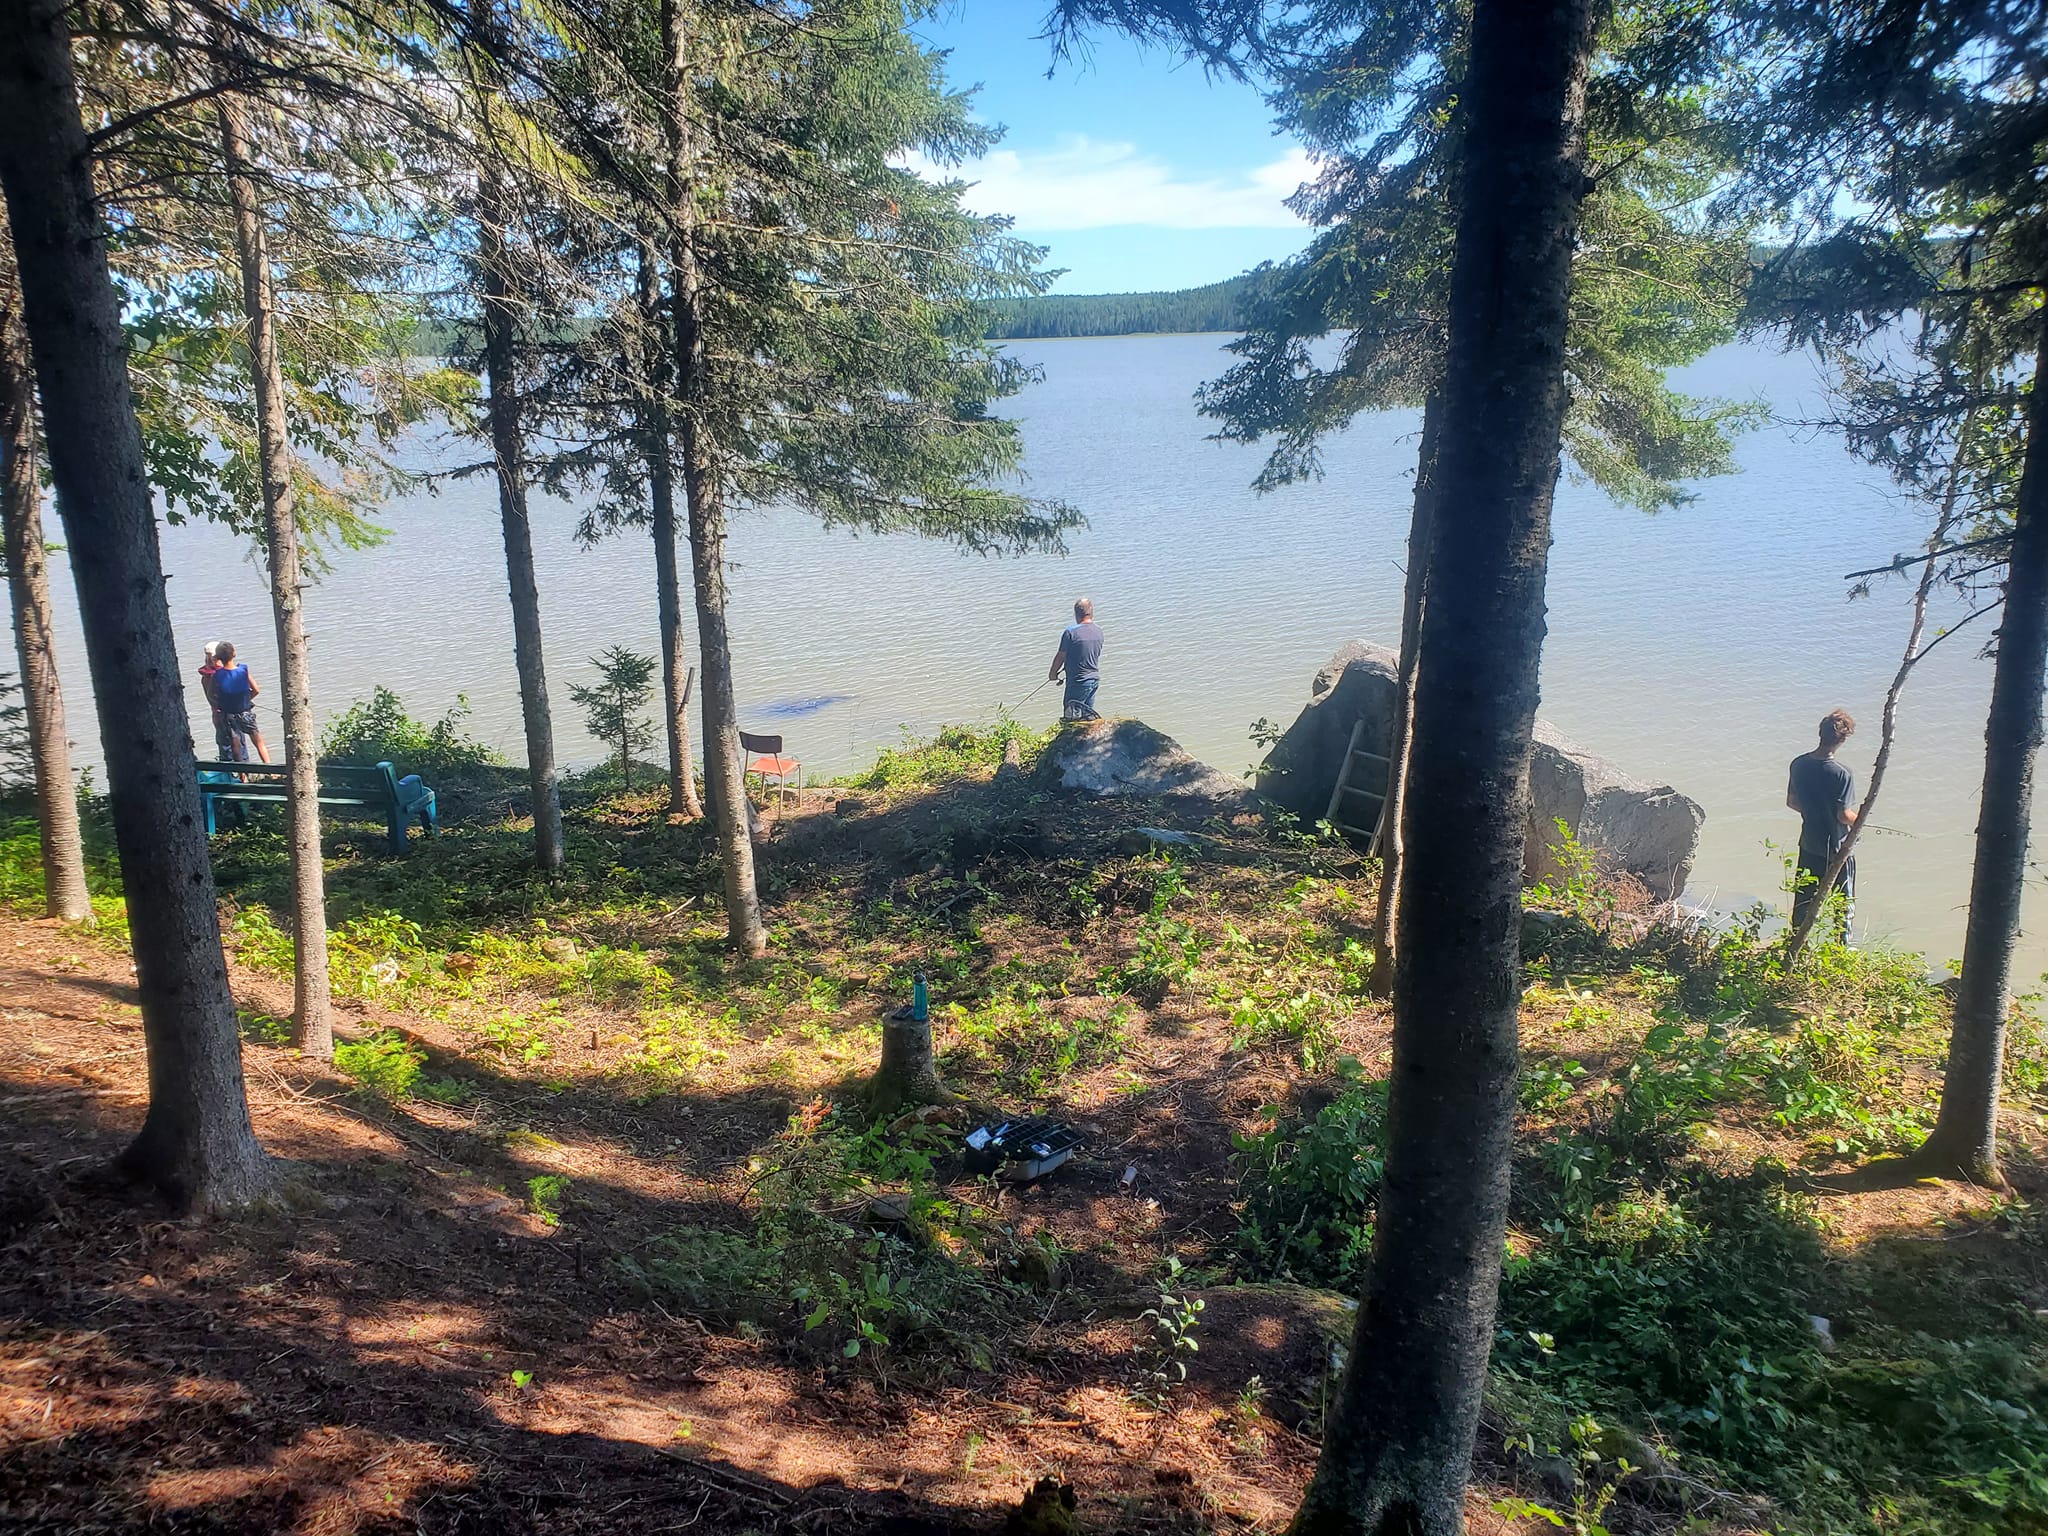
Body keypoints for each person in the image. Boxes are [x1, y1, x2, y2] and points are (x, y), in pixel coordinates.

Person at [1787, 707, 1858, 940]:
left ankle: (1796, 943)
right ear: (1843, 739)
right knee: (1843, 903)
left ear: (1821, 733)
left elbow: (1792, 802)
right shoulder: (1842, 773)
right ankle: (1841, 948)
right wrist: (1861, 819)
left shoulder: (1798, 764)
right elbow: (1844, 815)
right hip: (1838, 850)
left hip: (1809, 844)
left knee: (1803, 900)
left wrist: (1814, 812)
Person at [210, 641, 272, 764]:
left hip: (228, 715)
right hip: (246, 713)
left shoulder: (217, 675)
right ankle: (270, 768)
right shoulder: (243, 670)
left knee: (236, 744)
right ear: (234, 654)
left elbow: (210, 695)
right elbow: (256, 690)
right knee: (258, 741)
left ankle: (242, 773)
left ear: (218, 658)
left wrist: (219, 705)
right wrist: (246, 700)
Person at [1048, 597, 1103, 720]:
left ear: (1076, 614)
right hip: (1094, 679)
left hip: (1078, 681)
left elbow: (1061, 656)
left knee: (1071, 719)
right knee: (1088, 720)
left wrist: (1053, 674)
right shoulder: (1099, 631)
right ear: (1091, 613)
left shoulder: (1070, 632)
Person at [196, 641, 242, 762]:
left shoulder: (207, 675)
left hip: (218, 716)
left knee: (226, 746)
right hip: (225, 715)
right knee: (235, 746)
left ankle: (231, 769)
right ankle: (241, 771)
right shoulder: (216, 676)